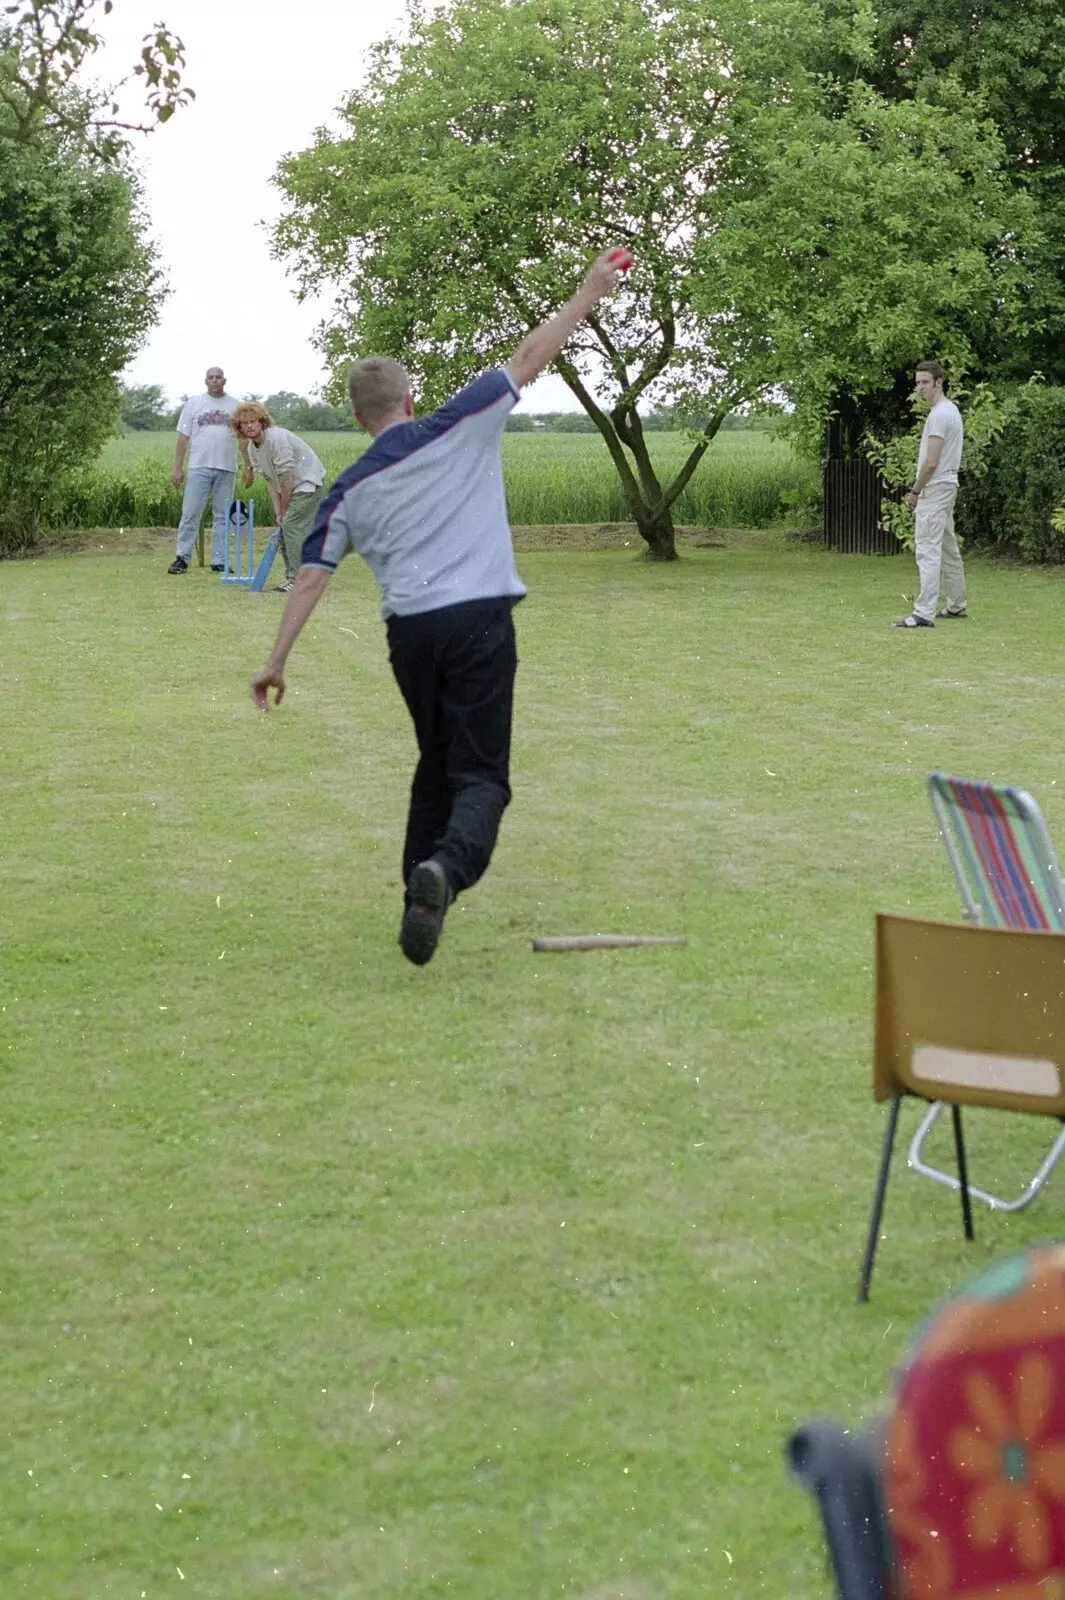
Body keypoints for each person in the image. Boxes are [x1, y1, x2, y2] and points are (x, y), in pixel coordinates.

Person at [250, 246, 633, 965]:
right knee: (482, 775)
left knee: (435, 763)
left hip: (410, 636)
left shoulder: (350, 487)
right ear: (409, 399)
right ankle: (445, 872)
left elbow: (310, 577)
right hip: (480, 619)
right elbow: (529, 357)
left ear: (357, 416)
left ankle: (413, 900)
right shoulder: (460, 421)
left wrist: (275, 661)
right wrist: (588, 290)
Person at [894, 361, 967, 628]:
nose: (920, 388)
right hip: (947, 486)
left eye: (925, 382)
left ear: (939, 382)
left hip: (936, 487)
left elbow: (931, 462)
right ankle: (956, 605)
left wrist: (915, 491)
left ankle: (923, 612)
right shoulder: (950, 411)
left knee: (927, 548)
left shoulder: (939, 414)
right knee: (948, 546)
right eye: (917, 382)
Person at [230, 404, 326, 592]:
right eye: (244, 424)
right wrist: (278, 512)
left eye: (253, 422)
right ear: (239, 427)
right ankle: (297, 577)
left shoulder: (277, 438)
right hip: (292, 486)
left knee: (291, 526)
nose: (249, 426)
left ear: (262, 422)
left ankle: (298, 580)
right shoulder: (252, 448)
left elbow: (286, 478)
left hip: (308, 483)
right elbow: (270, 481)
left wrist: (284, 508)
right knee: (286, 526)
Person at [167, 366, 245, 575]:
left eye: (218, 377)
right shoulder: (194, 404)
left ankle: (219, 561)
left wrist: (249, 467)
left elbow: (243, 439)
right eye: (211, 377)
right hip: (198, 467)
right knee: (191, 512)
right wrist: (177, 469)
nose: (215, 381)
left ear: (224, 381)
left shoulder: (236, 406)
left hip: (226, 468)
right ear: (206, 381)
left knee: (222, 516)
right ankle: (182, 557)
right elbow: (183, 440)